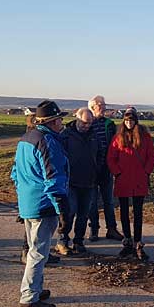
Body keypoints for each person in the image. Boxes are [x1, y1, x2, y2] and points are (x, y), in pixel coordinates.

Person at [11, 100, 70, 307]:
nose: (62, 123)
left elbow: (15, 173)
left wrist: (23, 197)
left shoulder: (25, 139)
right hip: (43, 203)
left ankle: (34, 289)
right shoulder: (47, 141)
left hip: (29, 201)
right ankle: (28, 298)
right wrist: (61, 205)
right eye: (59, 119)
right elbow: (52, 175)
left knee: (37, 249)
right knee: (38, 252)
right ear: (52, 121)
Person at [107, 107, 154, 260]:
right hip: (124, 179)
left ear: (136, 121)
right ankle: (127, 242)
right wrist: (117, 172)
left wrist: (146, 172)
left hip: (139, 179)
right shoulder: (118, 138)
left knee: (138, 213)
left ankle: (138, 242)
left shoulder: (144, 137)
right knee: (123, 212)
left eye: (132, 120)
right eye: (127, 120)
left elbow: (151, 156)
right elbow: (111, 157)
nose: (129, 123)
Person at [58, 107, 99, 256]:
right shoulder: (66, 135)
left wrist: (97, 171)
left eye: (89, 123)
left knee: (83, 214)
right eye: (84, 123)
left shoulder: (94, 135)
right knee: (69, 212)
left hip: (89, 181)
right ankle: (62, 240)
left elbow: (99, 154)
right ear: (77, 119)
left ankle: (78, 241)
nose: (86, 126)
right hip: (71, 182)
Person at [87, 95, 123, 242]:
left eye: (104, 105)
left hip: (106, 168)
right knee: (92, 201)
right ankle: (94, 229)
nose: (104, 107)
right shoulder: (87, 124)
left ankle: (112, 229)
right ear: (93, 107)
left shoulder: (109, 124)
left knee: (108, 201)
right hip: (91, 169)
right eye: (101, 105)